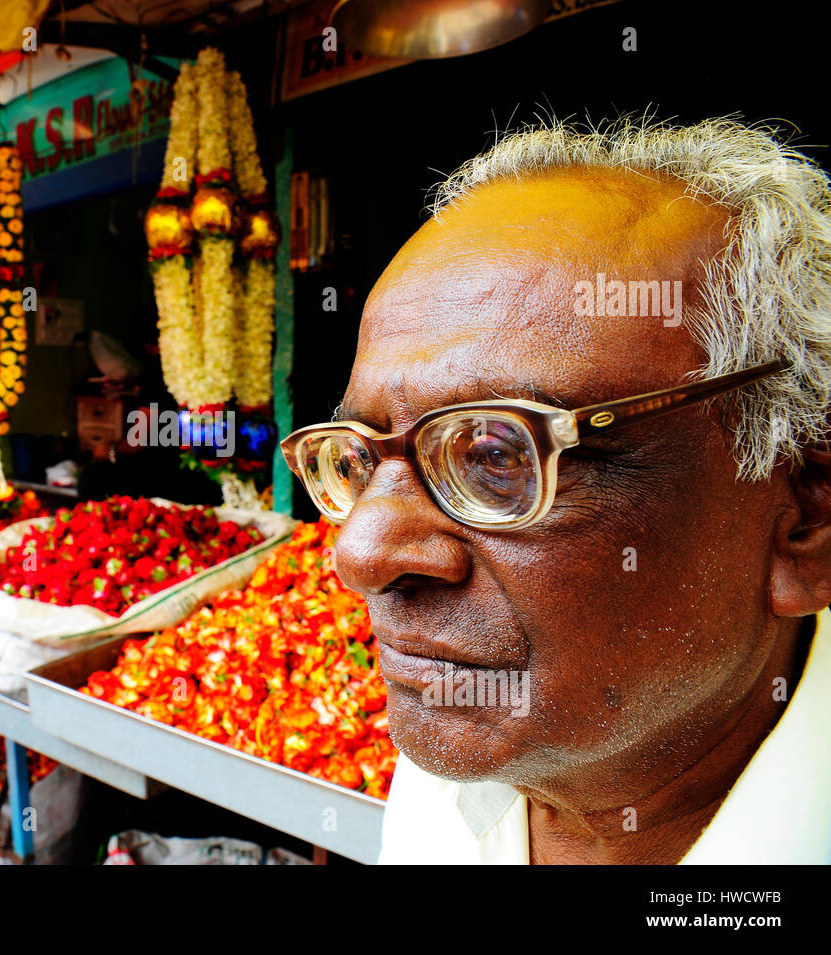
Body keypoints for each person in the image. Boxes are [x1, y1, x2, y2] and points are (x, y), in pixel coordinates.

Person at [280, 118, 831, 864]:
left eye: (496, 453)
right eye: (353, 461)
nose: (361, 553)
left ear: (807, 513)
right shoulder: (446, 771)